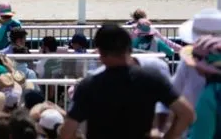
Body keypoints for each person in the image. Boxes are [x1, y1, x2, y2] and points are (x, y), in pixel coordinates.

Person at [58, 23, 194, 139]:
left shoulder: (89, 85)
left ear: (100, 53)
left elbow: (67, 131)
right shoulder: (151, 78)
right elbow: (187, 114)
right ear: (129, 48)